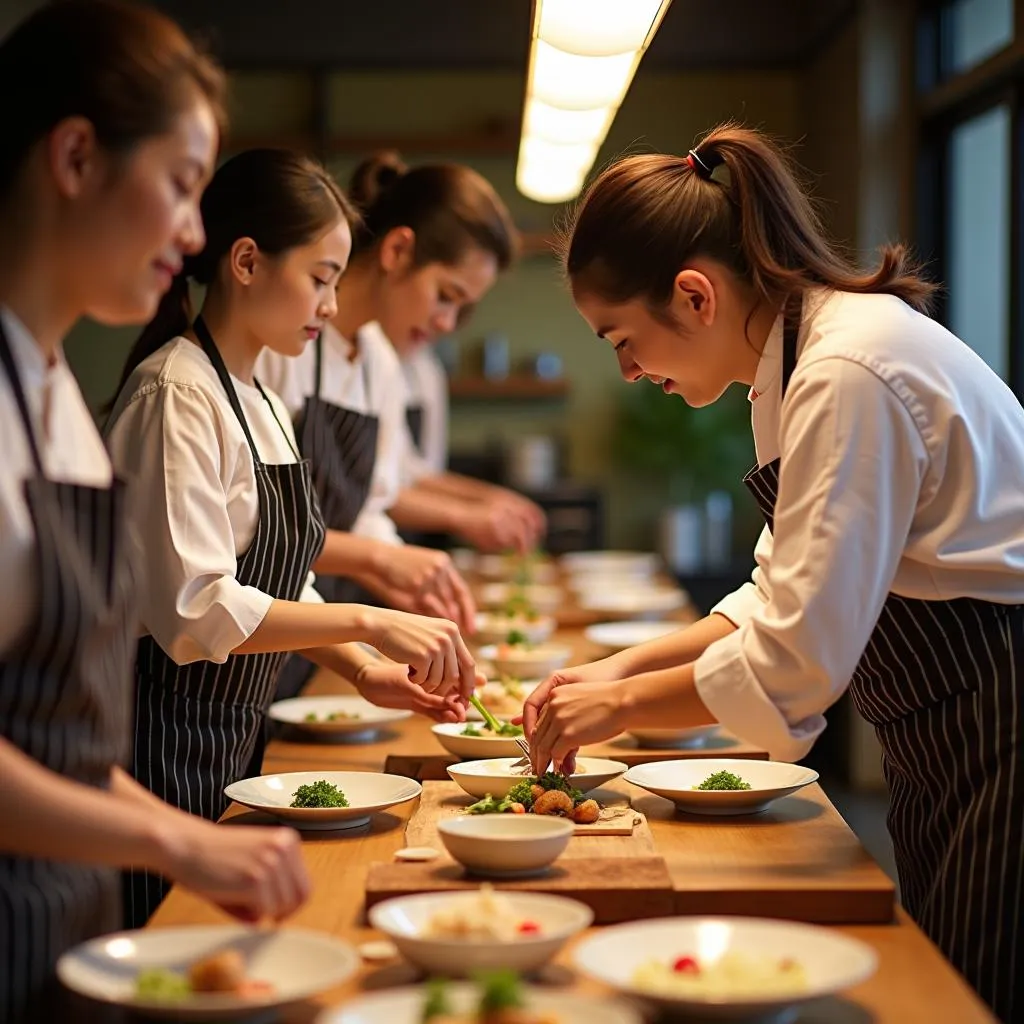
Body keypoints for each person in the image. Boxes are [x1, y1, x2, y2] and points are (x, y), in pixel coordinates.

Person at [522, 124, 1024, 1022]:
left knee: (975, 993)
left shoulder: (846, 368)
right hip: (943, 717)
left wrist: (622, 708)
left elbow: (796, 657)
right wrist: (616, 670)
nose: (631, 371)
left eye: (622, 339)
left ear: (694, 294)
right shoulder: (787, 363)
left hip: (1004, 704)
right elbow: (773, 591)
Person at [0, 3, 309, 1019]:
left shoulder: (55, 398)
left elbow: (62, 744)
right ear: (77, 156)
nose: (192, 231)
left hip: (72, 922)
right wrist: (173, 837)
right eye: (181, 187)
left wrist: (201, 842)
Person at [105, 147, 474, 927]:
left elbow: (283, 577)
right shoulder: (176, 393)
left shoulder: (260, 396)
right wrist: (367, 618)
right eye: (321, 276)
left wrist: (366, 669)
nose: (335, 306)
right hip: (161, 750)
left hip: (232, 743)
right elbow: (196, 609)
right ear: (245, 262)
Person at [339, 151, 547, 554]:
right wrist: (466, 515)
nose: (447, 324)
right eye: (445, 296)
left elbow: (383, 493)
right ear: (397, 251)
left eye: (462, 307)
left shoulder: (378, 360)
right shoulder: (292, 343)